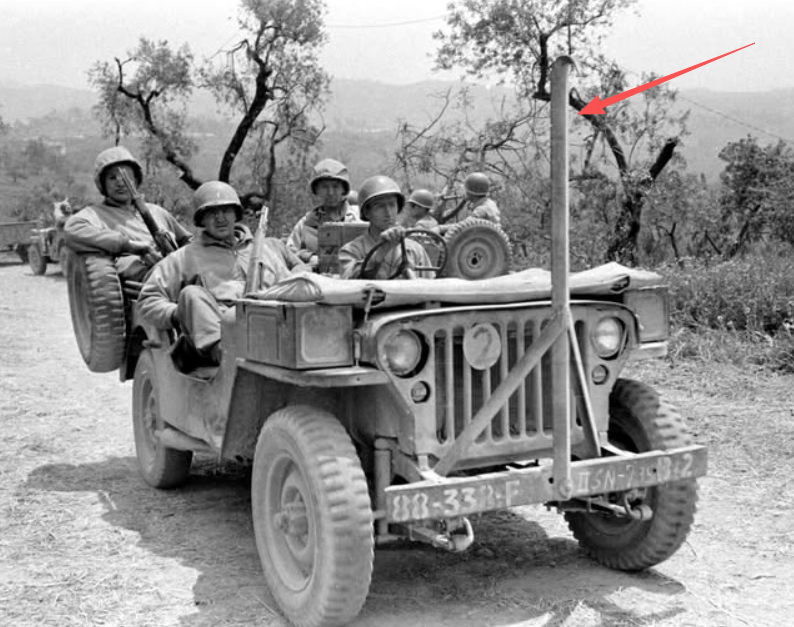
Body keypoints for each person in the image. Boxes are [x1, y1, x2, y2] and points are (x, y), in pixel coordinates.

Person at [138, 181, 308, 368]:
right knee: (191, 295)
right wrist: (180, 313)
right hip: (216, 335)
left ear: (236, 215)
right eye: (212, 213)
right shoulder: (185, 256)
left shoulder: (263, 250)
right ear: (202, 220)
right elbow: (148, 300)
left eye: (226, 211)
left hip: (268, 328)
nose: (220, 218)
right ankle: (226, 357)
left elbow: (289, 287)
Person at [63, 146, 192, 281]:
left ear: (135, 181)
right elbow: (72, 230)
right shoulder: (94, 214)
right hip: (147, 283)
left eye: (127, 177)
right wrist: (129, 245)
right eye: (112, 178)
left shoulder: (156, 211)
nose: (120, 183)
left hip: (181, 273)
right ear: (103, 184)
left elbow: (187, 240)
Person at [339, 175, 434, 280]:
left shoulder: (415, 250)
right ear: (366, 212)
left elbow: (432, 287)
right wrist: (379, 253)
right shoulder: (352, 251)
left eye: (392, 205)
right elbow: (350, 284)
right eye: (380, 206)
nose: (388, 212)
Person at [288, 158, 360, 266]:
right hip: (318, 274)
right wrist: (308, 257)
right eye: (324, 187)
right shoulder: (307, 222)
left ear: (343, 189)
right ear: (317, 190)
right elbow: (289, 251)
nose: (330, 192)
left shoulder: (360, 216)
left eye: (335, 186)